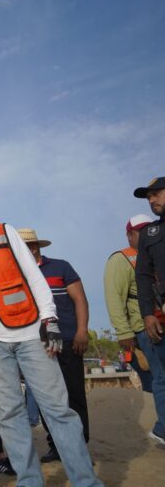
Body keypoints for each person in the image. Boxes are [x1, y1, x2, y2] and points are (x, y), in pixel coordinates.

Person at [0, 194, 101, 487]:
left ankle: (85, 481)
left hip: (29, 334)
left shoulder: (3, 233)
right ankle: (29, 481)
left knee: (58, 410)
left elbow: (32, 276)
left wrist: (49, 319)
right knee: (10, 415)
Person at [17, 227, 91, 462]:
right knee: (44, 399)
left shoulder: (61, 267)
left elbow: (80, 299)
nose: (25, 250)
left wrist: (82, 330)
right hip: (36, 346)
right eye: (21, 246)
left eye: (29, 245)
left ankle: (80, 449)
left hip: (69, 340)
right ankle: (57, 447)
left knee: (74, 396)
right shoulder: (16, 276)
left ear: (37, 246)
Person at [104, 214, 165, 442]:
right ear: (129, 235)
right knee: (160, 377)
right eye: (140, 231)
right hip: (145, 329)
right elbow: (114, 298)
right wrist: (124, 332)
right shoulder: (121, 260)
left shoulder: (157, 254)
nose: (146, 234)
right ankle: (162, 428)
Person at [133, 176, 165, 444]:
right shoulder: (150, 234)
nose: (152, 200)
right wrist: (148, 314)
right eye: (149, 197)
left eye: (156, 194)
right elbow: (142, 276)